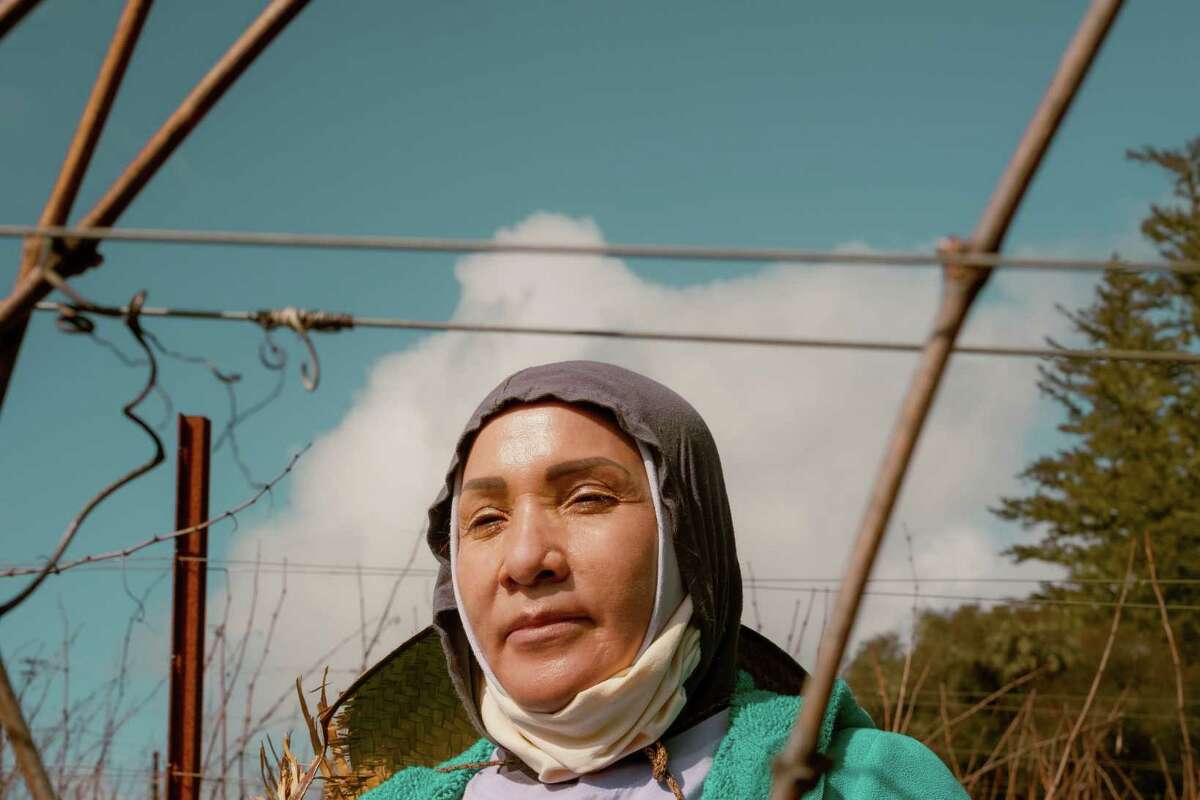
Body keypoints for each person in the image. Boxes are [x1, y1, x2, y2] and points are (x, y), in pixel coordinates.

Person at [332, 361, 967, 799]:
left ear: (687, 538)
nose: (525, 559)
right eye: (487, 519)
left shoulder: (859, 784)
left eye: (586, 498)